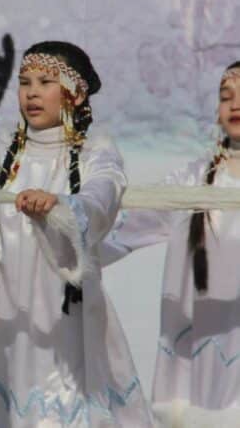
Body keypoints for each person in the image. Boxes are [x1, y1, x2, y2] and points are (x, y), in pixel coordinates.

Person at [0, 41, 153, 427]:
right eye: (25, 82)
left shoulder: (93, 156)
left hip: (61, 318)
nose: (32, 92)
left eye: (45, 82)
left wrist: (61, 207)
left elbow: (100, 197)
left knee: (60, 407)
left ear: (76, 93)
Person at [100, 61, 240, 427]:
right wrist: (65, 236)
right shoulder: (192, 181)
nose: (235, 105)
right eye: (226, 97)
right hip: (209, 350)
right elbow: (125, 225)